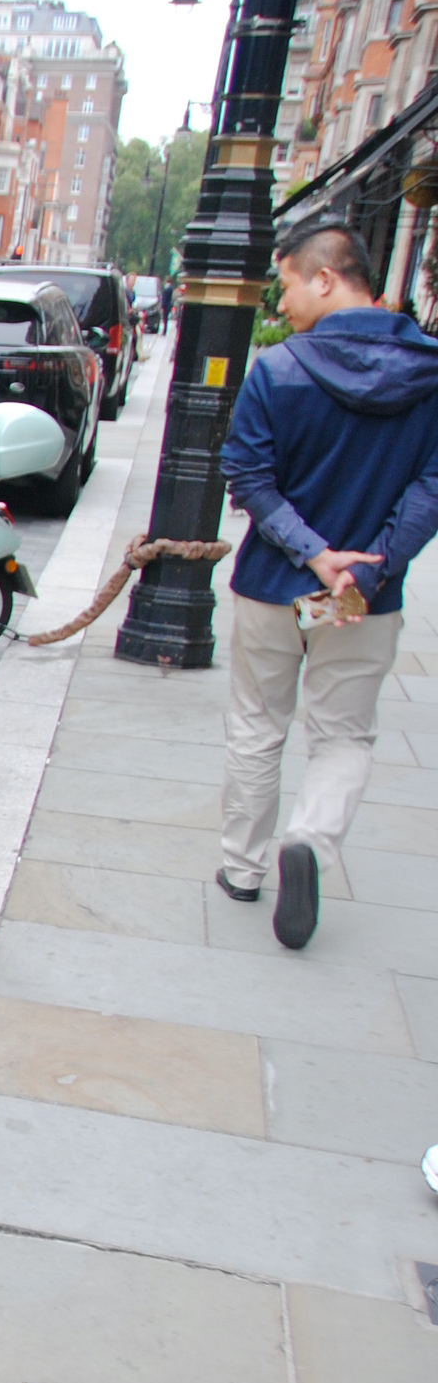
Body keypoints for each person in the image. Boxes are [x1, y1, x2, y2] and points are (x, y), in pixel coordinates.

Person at [216, 219, 438, 949]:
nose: (280, 303)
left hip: (275, 583)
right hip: (362, 596)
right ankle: (308, 837)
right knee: (343, 735)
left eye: (285, 284)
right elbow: (431, 488)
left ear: (326, 278)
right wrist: (368, 564)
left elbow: (249, 476)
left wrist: (315, 555)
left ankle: (242, 868)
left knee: (258, 724)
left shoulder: (277, 372)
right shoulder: (430, 374)